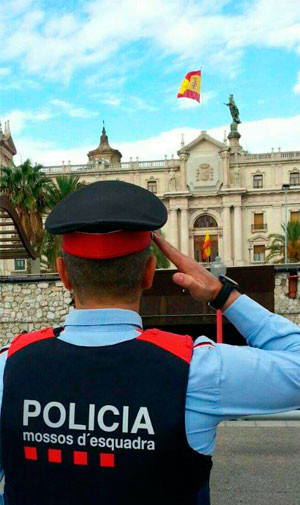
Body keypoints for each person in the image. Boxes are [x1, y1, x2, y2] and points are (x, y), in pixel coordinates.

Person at [0, 180, 300, 505]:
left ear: (63, 274)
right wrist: (223, 294)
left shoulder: (9, 366)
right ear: (149, 272)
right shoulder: (195, 370)